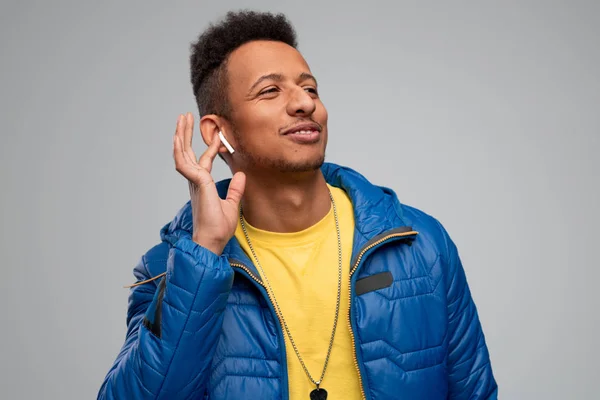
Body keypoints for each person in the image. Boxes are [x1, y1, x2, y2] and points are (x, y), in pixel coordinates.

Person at [98, 10, 497, 400]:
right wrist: (202, 255)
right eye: (271, 91)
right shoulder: (170, 267)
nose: (304, 103)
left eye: (310, 89)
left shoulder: (420, 245)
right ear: (218, 133)